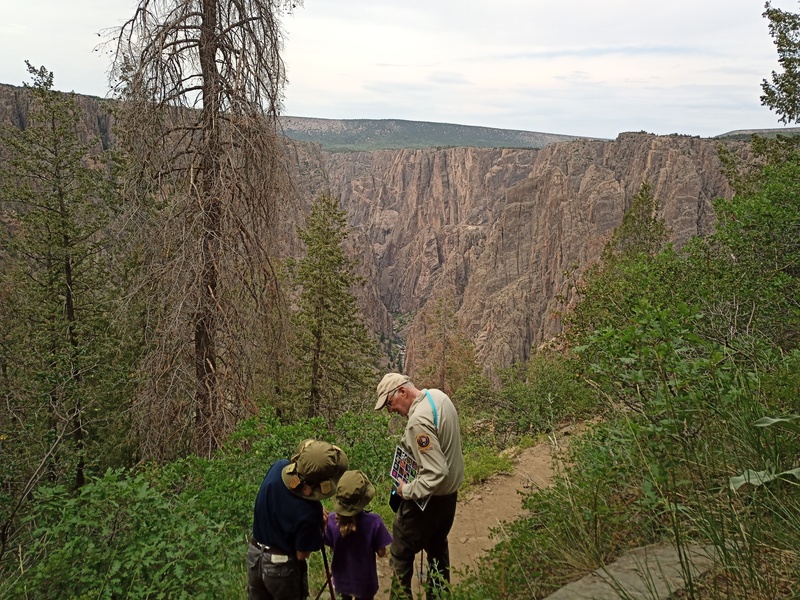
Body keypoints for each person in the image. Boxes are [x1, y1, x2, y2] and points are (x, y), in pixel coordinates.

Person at [374, 373, 465, 600]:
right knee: (437, 548)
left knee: (400, 554)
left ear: (403, 392)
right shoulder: (438, 397)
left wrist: (406, 490)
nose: (390, 410)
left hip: (429, 501)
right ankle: (439, 595)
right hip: (448, 498)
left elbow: (435, 471)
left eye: (389, 403)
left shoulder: (418, 422)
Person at [248, 439, 348, 600]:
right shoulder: (309, 513)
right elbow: (302, 554)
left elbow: (286, 498)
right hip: (280, 567)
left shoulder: (278, 467)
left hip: (254, 556)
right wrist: (318, 526)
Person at [323, 470, 393, 600]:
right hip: (365, 582)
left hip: (341, 581)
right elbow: (381, 552)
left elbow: (332, 546)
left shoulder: (332, 520)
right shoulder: (374, 521)